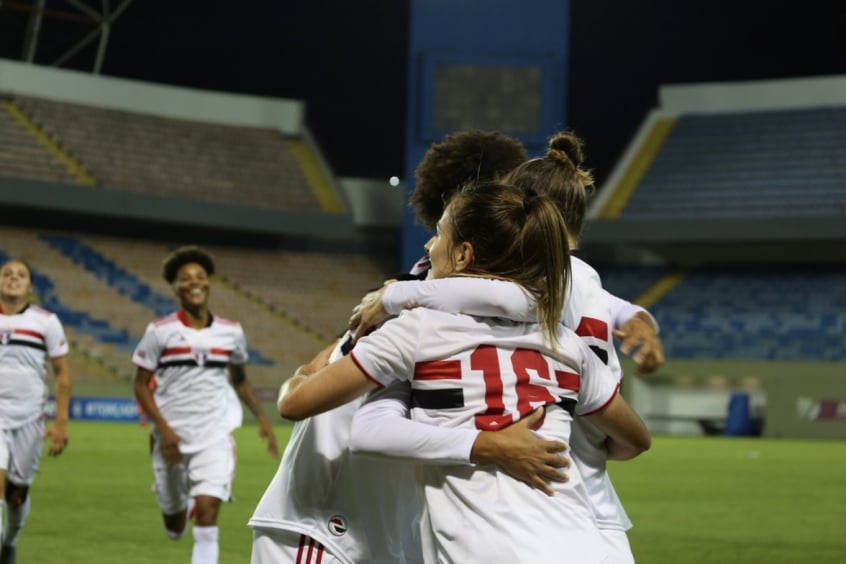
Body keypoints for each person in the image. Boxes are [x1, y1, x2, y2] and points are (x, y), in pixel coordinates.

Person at [278, 182, 651, 563]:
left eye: (438, 234)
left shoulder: (417, 330)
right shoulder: (566, 345)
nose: (428, 246)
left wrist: (302, 375)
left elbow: (296, 405)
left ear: (462, 255)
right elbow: (635, 440)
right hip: (581, 544)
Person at [132, 245, 278, 564]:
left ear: (209, 283)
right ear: (175, 288)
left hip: (213, 436)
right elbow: (140, 385)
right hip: (170, 438)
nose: (194, 282)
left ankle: (198, 506)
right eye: (185, 278)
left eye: (200, 276)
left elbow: (239, 380)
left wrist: (262, 420)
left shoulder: (231, 332)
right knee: (174, 526)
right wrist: (164, 430)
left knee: (209, 516)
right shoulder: (159, 332)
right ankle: (178, 502)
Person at [0, 259, 71, 564]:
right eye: (6, 274)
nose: (13, 278)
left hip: (30, 418)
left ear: (30, 285)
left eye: (21, 275)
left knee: (17, 496)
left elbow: (63, 376)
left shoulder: (46, 322)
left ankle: (10, 541)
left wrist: (61, 424)